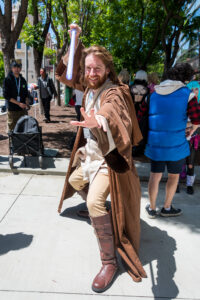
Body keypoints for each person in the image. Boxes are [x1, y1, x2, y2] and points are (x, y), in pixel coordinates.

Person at [55, 24, 146, 293]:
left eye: (97, 69)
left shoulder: (114, 91)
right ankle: (103, 214)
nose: (91, 73)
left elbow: (113, 110)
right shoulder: (88, 83)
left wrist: (101, 120)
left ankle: (109, 262)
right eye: (88, 69)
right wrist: (75, 41)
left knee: (94, 202)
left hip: (109, 157)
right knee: (75, 179)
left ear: (107, 70)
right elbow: (69, 73)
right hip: (92, 154)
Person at [137, 63, 200, 218]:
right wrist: (190, 131)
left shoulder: (152, 95)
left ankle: (151, 208)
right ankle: (166, 208)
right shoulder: (188, 94)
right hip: (177, 144)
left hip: (155, 144)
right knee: (173, 176)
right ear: (185, 78)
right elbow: (197, 119)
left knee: (154, 176)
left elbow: (140, 116)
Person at [3, 60, 30, 132]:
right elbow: (6, 95)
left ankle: (21, 143)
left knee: (23, 129)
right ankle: (12, 143)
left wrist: (27, 102)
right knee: (12, 130)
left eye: (18, 67)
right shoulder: (7, 80)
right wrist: (19, 103)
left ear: (20, 69)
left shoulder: (23, 80)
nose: (17, 69)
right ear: (11, 68)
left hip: (22, 110)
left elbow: (26, 93)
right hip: (12, 110)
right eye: (15, 67)